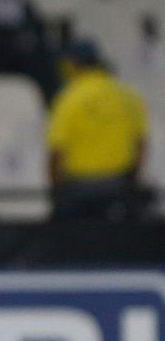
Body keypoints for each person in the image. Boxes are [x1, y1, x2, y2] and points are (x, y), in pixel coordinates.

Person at [47, 40, 149, 222]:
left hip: (78, 190)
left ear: (73, 65)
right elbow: (141, 143)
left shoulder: (69, 98)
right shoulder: (126, 95)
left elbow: (57, 152)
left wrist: (56, 190)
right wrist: (132, 180)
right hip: (119, 186)